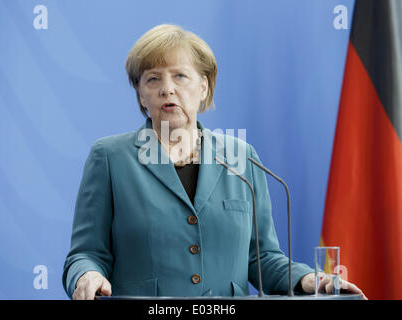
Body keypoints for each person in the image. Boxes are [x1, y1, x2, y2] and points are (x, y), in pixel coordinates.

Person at [62, 24, 366, 300]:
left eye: (180, 76)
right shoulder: (111, 157)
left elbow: (261, 257)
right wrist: (87, 274)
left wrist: (310, 279)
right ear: (142, 95)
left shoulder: (241, 157)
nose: (167, 89)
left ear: (203, 87)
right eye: (153, 79)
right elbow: (86, 253)